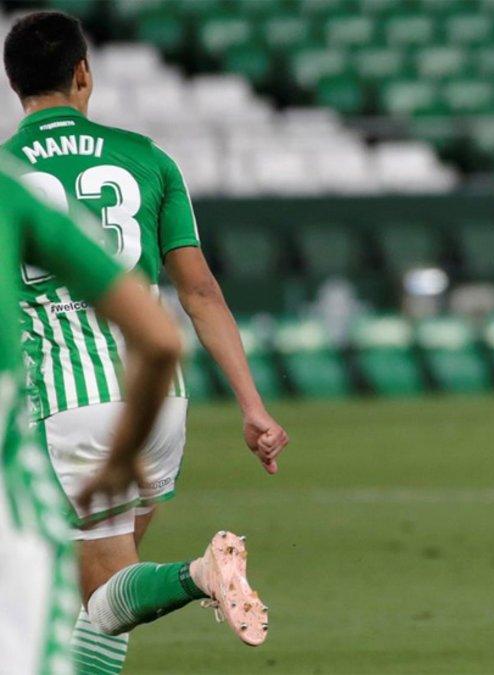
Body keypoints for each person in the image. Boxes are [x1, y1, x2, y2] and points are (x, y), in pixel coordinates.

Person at [2, 11, 286, 671]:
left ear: (13, 83)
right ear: (83, 73)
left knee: (93, 595)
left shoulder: (7, 174)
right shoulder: (148, 158)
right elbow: (200, 292)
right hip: (158, 404)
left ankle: (198, 574)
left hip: (66, 406)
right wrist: (252, 406)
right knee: (99, 612)